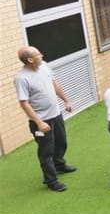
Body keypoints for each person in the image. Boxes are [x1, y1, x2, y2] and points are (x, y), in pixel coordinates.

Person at [14, 46, 76, 192]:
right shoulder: (21, 78)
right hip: (41, 122)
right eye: (38, 54)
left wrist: (66, 101)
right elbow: (24, 103)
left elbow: (55, 84)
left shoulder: (44, 66)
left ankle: (59, 164)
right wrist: (39, 122)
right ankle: (51, 180)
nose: (41, 55)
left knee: (61, 142)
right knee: (46, 151)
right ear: (30, 59)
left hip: (56, 114)